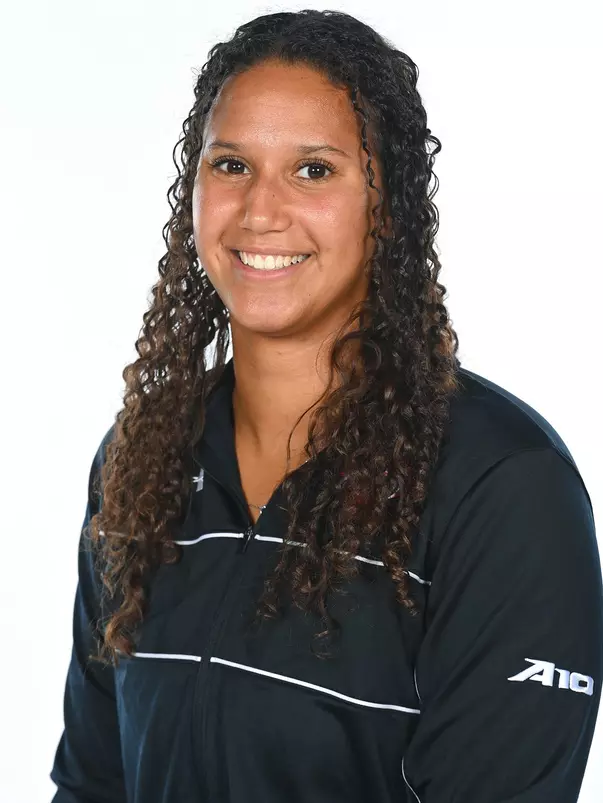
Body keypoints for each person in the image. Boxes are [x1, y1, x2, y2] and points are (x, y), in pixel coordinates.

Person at [50, 9, 602, 803]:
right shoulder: (144, 459)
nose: (260, 211)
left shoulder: (501, 484)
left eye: (313, 170)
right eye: (230, 164)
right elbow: (93, 780)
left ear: (387, 204)